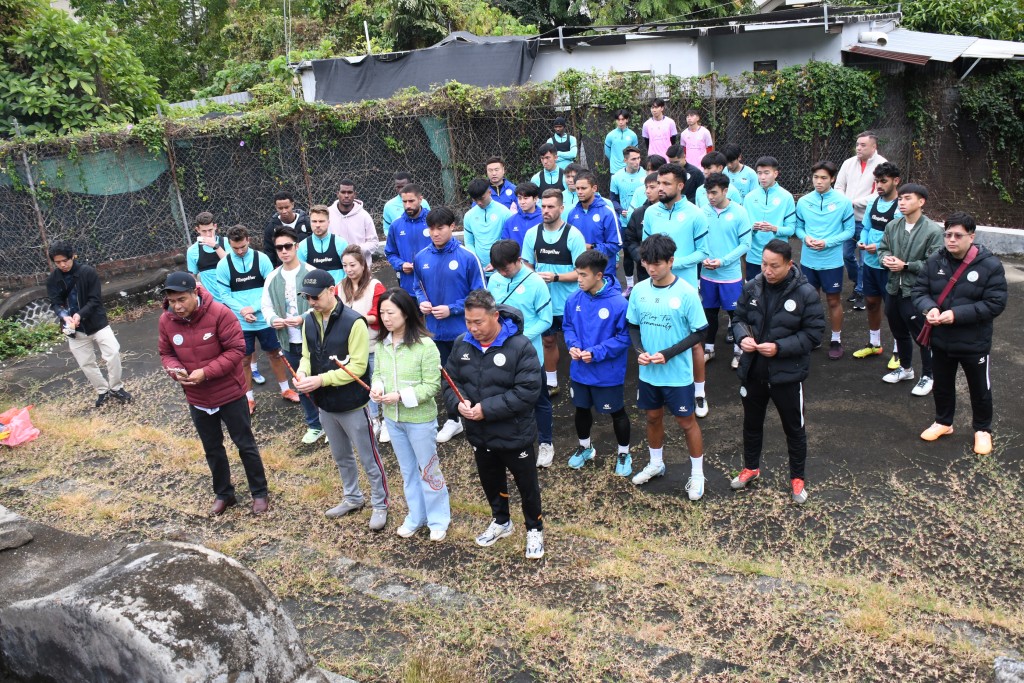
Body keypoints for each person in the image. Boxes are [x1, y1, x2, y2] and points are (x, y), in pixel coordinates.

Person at [442, 289, 545, 560]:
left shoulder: (520, 346)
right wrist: (459, 404)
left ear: (495, 316)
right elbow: (450, 380)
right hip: (480, 434)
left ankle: (534, 528)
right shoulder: (462, 343)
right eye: (468, 322)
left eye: (478, 322)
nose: (473, 329)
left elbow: (527, 391)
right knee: (490, 480)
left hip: (514, 433)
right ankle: (501, 521)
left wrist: (485, 409)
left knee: (526, 484)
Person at [159, 271, 268, 515]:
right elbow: (166, 353)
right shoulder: (166, 321)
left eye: (182, 299)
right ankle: (224, 494)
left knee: (245, 444)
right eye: (172, 300)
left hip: (230, 394)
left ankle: (259, 493)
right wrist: (175, 370)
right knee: (212, 448)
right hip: (197, 398)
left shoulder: (220, 313)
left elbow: (236, 350)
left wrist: (205, 372)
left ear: (195, 293)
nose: (177, 306)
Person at [730, 239, 825, 505]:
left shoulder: (805, 294)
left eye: (774, 266)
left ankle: (797, 478)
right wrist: (742, 338)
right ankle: (751, 467)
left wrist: (780, 348)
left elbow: (814, 334)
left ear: (789, 265)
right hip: (753, 372)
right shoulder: (752, 287)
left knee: (794, 428)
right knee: (751, 424)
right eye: (764, 264)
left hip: (787, 375)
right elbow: (739, 319)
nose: (767, 271)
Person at [293, 269, 389, 531]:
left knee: (369, 458)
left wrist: (320, 380)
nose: (311, 302)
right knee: (341, 456)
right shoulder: (309, 321)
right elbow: (306, 355)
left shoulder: (354, 322)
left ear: (331, 290)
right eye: (307, 297)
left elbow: (358, 368)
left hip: (353, 404)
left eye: (315, 297)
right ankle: (353, 497)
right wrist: (302, 372)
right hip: (325, 404)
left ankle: (380, 504)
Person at [913, 212, 1007, 456]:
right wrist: (929, 308)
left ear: (971, 236)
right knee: (942, 384)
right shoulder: (935, 261)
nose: (951, 240)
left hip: (974, 341)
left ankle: (982, 430)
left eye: (958, 235)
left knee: (979, 387)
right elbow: (919, 291)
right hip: (941, 339)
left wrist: (956, 314)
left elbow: (995, 303)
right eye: (948, 235)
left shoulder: (990, 265)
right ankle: (943, 422)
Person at [627, 234, 708, 499]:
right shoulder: (639, 290)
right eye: (647, 263)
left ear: (671, 261)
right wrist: (640, 352)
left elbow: (700, 332)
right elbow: (633, 326)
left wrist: (668, 354)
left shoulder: (686, 292)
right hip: (648, 373)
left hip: (677, 375)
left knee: (687, 422)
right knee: (652, 417)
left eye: (657, 264)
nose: (651, 269)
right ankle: (656, 463)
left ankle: (697, 475)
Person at [370, 288, 451, 541]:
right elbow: (378, 373)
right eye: (382, 313)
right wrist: (378, 387)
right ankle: (416, 516)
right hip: (392, 419)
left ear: (405, 313)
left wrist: (400, 396)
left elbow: (432, 386)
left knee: (428, 469)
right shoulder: (382, 344)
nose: (385, 318)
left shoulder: (425, 346)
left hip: (420, 420)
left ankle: (439, 519)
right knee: (407, 471)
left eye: (390, 312)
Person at [642, 163, 711, 417]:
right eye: (658, 183)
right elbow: (646, 247)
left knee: (693, 343)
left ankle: (700, 392)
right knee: (658, 336)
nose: (660, 188)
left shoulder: (695, 214)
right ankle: (657, 388)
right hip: (656, 288)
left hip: (686, 289)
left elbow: (704, 252)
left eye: (666, 184)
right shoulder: (651, 213)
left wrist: (671, 264)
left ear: (680, 186)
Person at [414, 206, 486, 443]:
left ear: (452, 227)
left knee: (472, 374)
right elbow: (417, 286)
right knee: (445, 375)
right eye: (431, 229)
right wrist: (423, 302)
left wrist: (453, 309)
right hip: (434, 331)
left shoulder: (467, 257)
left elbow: (480, 295)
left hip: (464, 332)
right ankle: (454, 419)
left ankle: (480, 414)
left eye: (440, 228)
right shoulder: (421, 257)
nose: (435, 233)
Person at [215, 224, 298, 413]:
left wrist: (253, 308)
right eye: (235, 248)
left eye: (243, 246)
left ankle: (286, 389)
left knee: (275, 354)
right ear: (229, 244)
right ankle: (248, 399)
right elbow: (224, 295)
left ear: (249, 240)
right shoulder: (223, 265)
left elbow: (270, 288)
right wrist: (243, 311)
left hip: (264, 319)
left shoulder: (261, 259)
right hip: (241, 321)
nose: (240, 251)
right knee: (243, 360)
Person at [562, 250, 631, 475]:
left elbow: (624, 338)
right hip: (580, 370)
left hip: (607, 373)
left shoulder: (619, 303)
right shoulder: (573, 299)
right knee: (581, 410)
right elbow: (568, 326)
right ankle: (585, 448)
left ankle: (624, 453)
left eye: (583, 275)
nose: (578, 279)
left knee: (617, 413)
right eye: (577, 273)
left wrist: (596, 352)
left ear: (599, 275)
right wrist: (572, 345)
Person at [488, 239, 554, 467]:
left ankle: (546, 443)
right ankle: (510, 439)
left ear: (519, 260)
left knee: (539, 400)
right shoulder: (495, 280)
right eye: (498, 269)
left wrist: (520, 339)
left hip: (530, 354)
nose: (502, 273)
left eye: (506, 268)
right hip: (501, 354)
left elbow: (546, 320)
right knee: (506, 398)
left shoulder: (536, 282)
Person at [877, 184, 944, 396]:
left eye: (907, 198)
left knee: (923, 335)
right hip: (893, 289)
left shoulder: (933, 231)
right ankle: (906, 368)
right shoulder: (893, 226)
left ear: (921, 202)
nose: (902, 203)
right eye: (900, 199)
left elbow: (935, 264)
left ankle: (928, 375)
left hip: (916, 292)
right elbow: (883, 248)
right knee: (898, 332)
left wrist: (906, 265)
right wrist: (885, 260)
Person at [46, 242, 131, 408]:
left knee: (112, 353)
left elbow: (95, 299)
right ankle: (102, 391)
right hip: (74, 329)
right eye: (57, 262)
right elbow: (55, 303)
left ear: (73, 256)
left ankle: (116, 387)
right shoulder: (53, 279)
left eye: (65, 260)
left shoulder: (87, 272)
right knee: (86, 363)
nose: (62, 265)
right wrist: (65, 317)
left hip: (97, 323)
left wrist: (79, 314)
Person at [260, 227, 324, 444]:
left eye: (288, 246)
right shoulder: (272, 278)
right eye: (279, 247)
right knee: (301, 383)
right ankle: (314, 425)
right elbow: (266, 307)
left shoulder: (310, 272)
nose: (284, 251)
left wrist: (304, 317)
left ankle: (331, 423)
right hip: (288, 340)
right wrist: (272, 320)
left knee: (323, 381)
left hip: (314, 338)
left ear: (297, 247)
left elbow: (323, 305)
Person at [522, 189, 587, 398]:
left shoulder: (574, 235)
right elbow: (526, 264)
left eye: (551, 207)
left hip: (570, 301)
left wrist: (556, 278)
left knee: (576, 342)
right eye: (543, 206)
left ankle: (580, 381)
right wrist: (536, 276)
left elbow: (582, 272)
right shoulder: (532, 234)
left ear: (561, 208)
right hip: (544, 302)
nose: (546, 211)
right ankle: (551, 382)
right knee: (548, 342)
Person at [794, 161, 855, 360]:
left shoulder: (843, 202)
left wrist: (827, 242)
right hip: (808, 260)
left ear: (833, 179)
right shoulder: (803, 201)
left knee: (833, 300)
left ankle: (836, 339)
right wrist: (805, 238)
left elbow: (850, 231)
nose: (818, 182)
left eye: (823, 178)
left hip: (832, 262)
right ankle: (814, 336)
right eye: (815, 178)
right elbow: (799, 228)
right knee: (810, 300)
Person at [699, 173, 752, 369]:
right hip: (707, 275)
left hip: (730, 276)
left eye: (714, 192)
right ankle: (709, 349)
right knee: (709, 314)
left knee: (735, 315)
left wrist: (723, 261)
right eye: (707, 193)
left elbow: (746, 244)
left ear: (725, 191)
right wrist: (702, 257)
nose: (710, 197)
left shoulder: (740, 212)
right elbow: (698, 239)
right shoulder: (702, 211)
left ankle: (739, 351)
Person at [852, 162, 902, 361]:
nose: (879, 185)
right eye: (876, 181)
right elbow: (865, 227)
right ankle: (874, 344)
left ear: (895, 181)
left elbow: (901, 236)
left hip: (889, 266)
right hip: (870, 264)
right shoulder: (874, 202)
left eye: (883, 181)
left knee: (893, 310)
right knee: (872, 303)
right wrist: (863, 240)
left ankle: (899, 351)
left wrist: (880, 247)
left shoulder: (901, 205)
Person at [836, 131, 887, 311]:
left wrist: (854, 202)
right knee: (846, 255)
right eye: (857, 144)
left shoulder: (882, 164)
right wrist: (845, 203)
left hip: (868, 219)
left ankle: (860, 291)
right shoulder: (848, 163)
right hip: (847, 218)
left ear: (874, 147)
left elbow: (878, 193)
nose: (858, 148)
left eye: (863, 145)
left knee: (866, 259)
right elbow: (839, 186)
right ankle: (858, 281)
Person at [339, 244, 386, 438]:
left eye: (353, 265)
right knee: (361, 383)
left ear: (363, 265)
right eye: (345, 265)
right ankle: (373, 418)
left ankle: (387, 420)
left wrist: (353, 318)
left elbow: (378, 315)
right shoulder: (340, 287)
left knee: (378, 382)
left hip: (373, 343)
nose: (349, 270)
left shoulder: (375, 286)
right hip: (352, 347)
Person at [743, 156, 796, 282]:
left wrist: (774, 228)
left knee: (778, 296)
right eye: (759, 173)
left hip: (778, 258)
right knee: (753, 296)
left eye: (766, 173)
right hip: (754, 256)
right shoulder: (749, 198)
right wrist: (752, 228)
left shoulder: (786, 197)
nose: (762, 177)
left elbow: (791, 229)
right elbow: (742, 229)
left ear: (775, 173)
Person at [566, 170, 621, 290]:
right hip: (579, 275)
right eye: (577, 188)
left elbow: (616, 244)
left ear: (594, 188)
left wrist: (591, 247)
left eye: (583, 188)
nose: (579, 192)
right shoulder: (572, 213)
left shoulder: (607, 212)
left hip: (603, 274)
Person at [610, 146, 646, 293]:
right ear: (625, 160)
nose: (637, 162)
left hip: (643, 222)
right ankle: (630, 285)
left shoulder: (646, 175)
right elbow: (613, 198)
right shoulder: (616, 177)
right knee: (628, 254)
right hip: (625, 222)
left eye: (638, 158)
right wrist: (620, 210)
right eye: (633, 159)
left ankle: (644, 284)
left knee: (644, 253)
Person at [384, 183, 432, 295]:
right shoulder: (396, 225)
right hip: (408, 287)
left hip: (432, 284)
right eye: (404, 201)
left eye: (411, 201)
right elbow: (390, 253)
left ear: (420, 199)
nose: (407, 205)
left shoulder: (432, 221)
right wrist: (401, 265)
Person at [464, 178, 512, 279]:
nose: (479, 203)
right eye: (475, 200)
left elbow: (509, 242)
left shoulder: (505, 212)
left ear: (489, 192)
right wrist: (475, 262)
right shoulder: (469, 216)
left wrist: (497, 262)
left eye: (481, 198)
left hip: (501, 270)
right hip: (479, 272)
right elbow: (469, 243)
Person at [622, 173, 660, 287]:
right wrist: (642, 258)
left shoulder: (672, 213)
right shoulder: (638, 213)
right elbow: (630, 239)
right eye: (646, 187)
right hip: (644, 269)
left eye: (652, 187)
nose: (647, 191)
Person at [328, 180, 379, 262]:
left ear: (355, 194)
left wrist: (357, 250)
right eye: (343, 192)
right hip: (335, 265)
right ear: (337, 193)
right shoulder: (328, 214)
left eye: (350, 192)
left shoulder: (364, 216)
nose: (346, 195)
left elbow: (374, 242)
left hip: (360, 266)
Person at [298, 205, 349, 287]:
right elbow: (300, 275)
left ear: (328, 222)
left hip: (339, 291)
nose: (317, 225)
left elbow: (349, 270)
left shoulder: (340, 243)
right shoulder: (302, 246)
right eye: (314, 221)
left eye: (321, 221)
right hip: (315, 293)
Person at [263, 191, 311, 268]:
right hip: (284, 268)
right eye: (280, 208)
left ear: (292, 204)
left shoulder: (306, 222)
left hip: (306, 267)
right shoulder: (271, 228)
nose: (284, 211)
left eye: (286, 207)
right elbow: (269, 252)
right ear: (276, 207)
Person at [186, 211, 227, 297]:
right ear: (197, 230)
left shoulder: (226, 242)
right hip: (212, 300)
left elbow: (232, 264)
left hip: (232, 296)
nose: (208, 234)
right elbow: (192, 277)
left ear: (215, 227)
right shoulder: (192, 251)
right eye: (204, 231)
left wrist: (216, 246)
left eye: (210, 230)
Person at [382, 172, 430, 238]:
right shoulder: (389, 206)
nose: (401, 190)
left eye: (403, 187)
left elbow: (431, 223)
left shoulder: (423, 203)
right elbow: (387, 229)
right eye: (398, 187)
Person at [500, 181, 542, 247]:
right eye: (519, 198)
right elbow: (505, 246)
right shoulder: (510, 221)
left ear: (535, 199)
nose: (522, 202)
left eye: (526, 198)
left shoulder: (544, 220)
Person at [604, 109, 639, 175]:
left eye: (623, 119)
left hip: (629, 169)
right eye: (618, 119)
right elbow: (607, 152)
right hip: (615, 170)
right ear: (616, 120)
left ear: (627, 120)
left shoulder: (633, 135)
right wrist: (614, 160)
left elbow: (635, 152)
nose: (620, 122)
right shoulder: (610, 135)